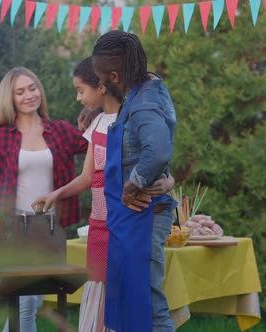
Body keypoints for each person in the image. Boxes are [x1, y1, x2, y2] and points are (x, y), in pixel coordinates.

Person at [31, 57, 175, 332]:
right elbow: (88, 177)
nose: (78, 98)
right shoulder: (95, 123)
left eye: (81, 90)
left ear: (100, 87)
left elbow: (157, 160)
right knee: (99, 288)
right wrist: (55, 195)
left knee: (132, 298)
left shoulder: (134, 117)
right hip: (100, 225)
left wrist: (167, 181)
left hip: (127, 222)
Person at [0, 67, 88, 331]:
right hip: (15, 229)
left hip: (49, 230)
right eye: (20, 92)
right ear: (10, 99)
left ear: (40, 90)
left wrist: (93, 117)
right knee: (25, 303)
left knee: (30, 303)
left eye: (32, 88)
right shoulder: (1, 138)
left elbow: (98, 146)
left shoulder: (60, 131)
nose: (28, 95)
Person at [92, 31, 178, 331]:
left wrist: (132, 186)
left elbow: (157, 152)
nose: (100, 83)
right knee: (131, 300)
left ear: (115, 75)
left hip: (142, 217)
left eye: (101, 77)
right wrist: (168, 178)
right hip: (129, 219)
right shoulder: (144, 92)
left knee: (147, 304)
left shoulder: (143, 104)